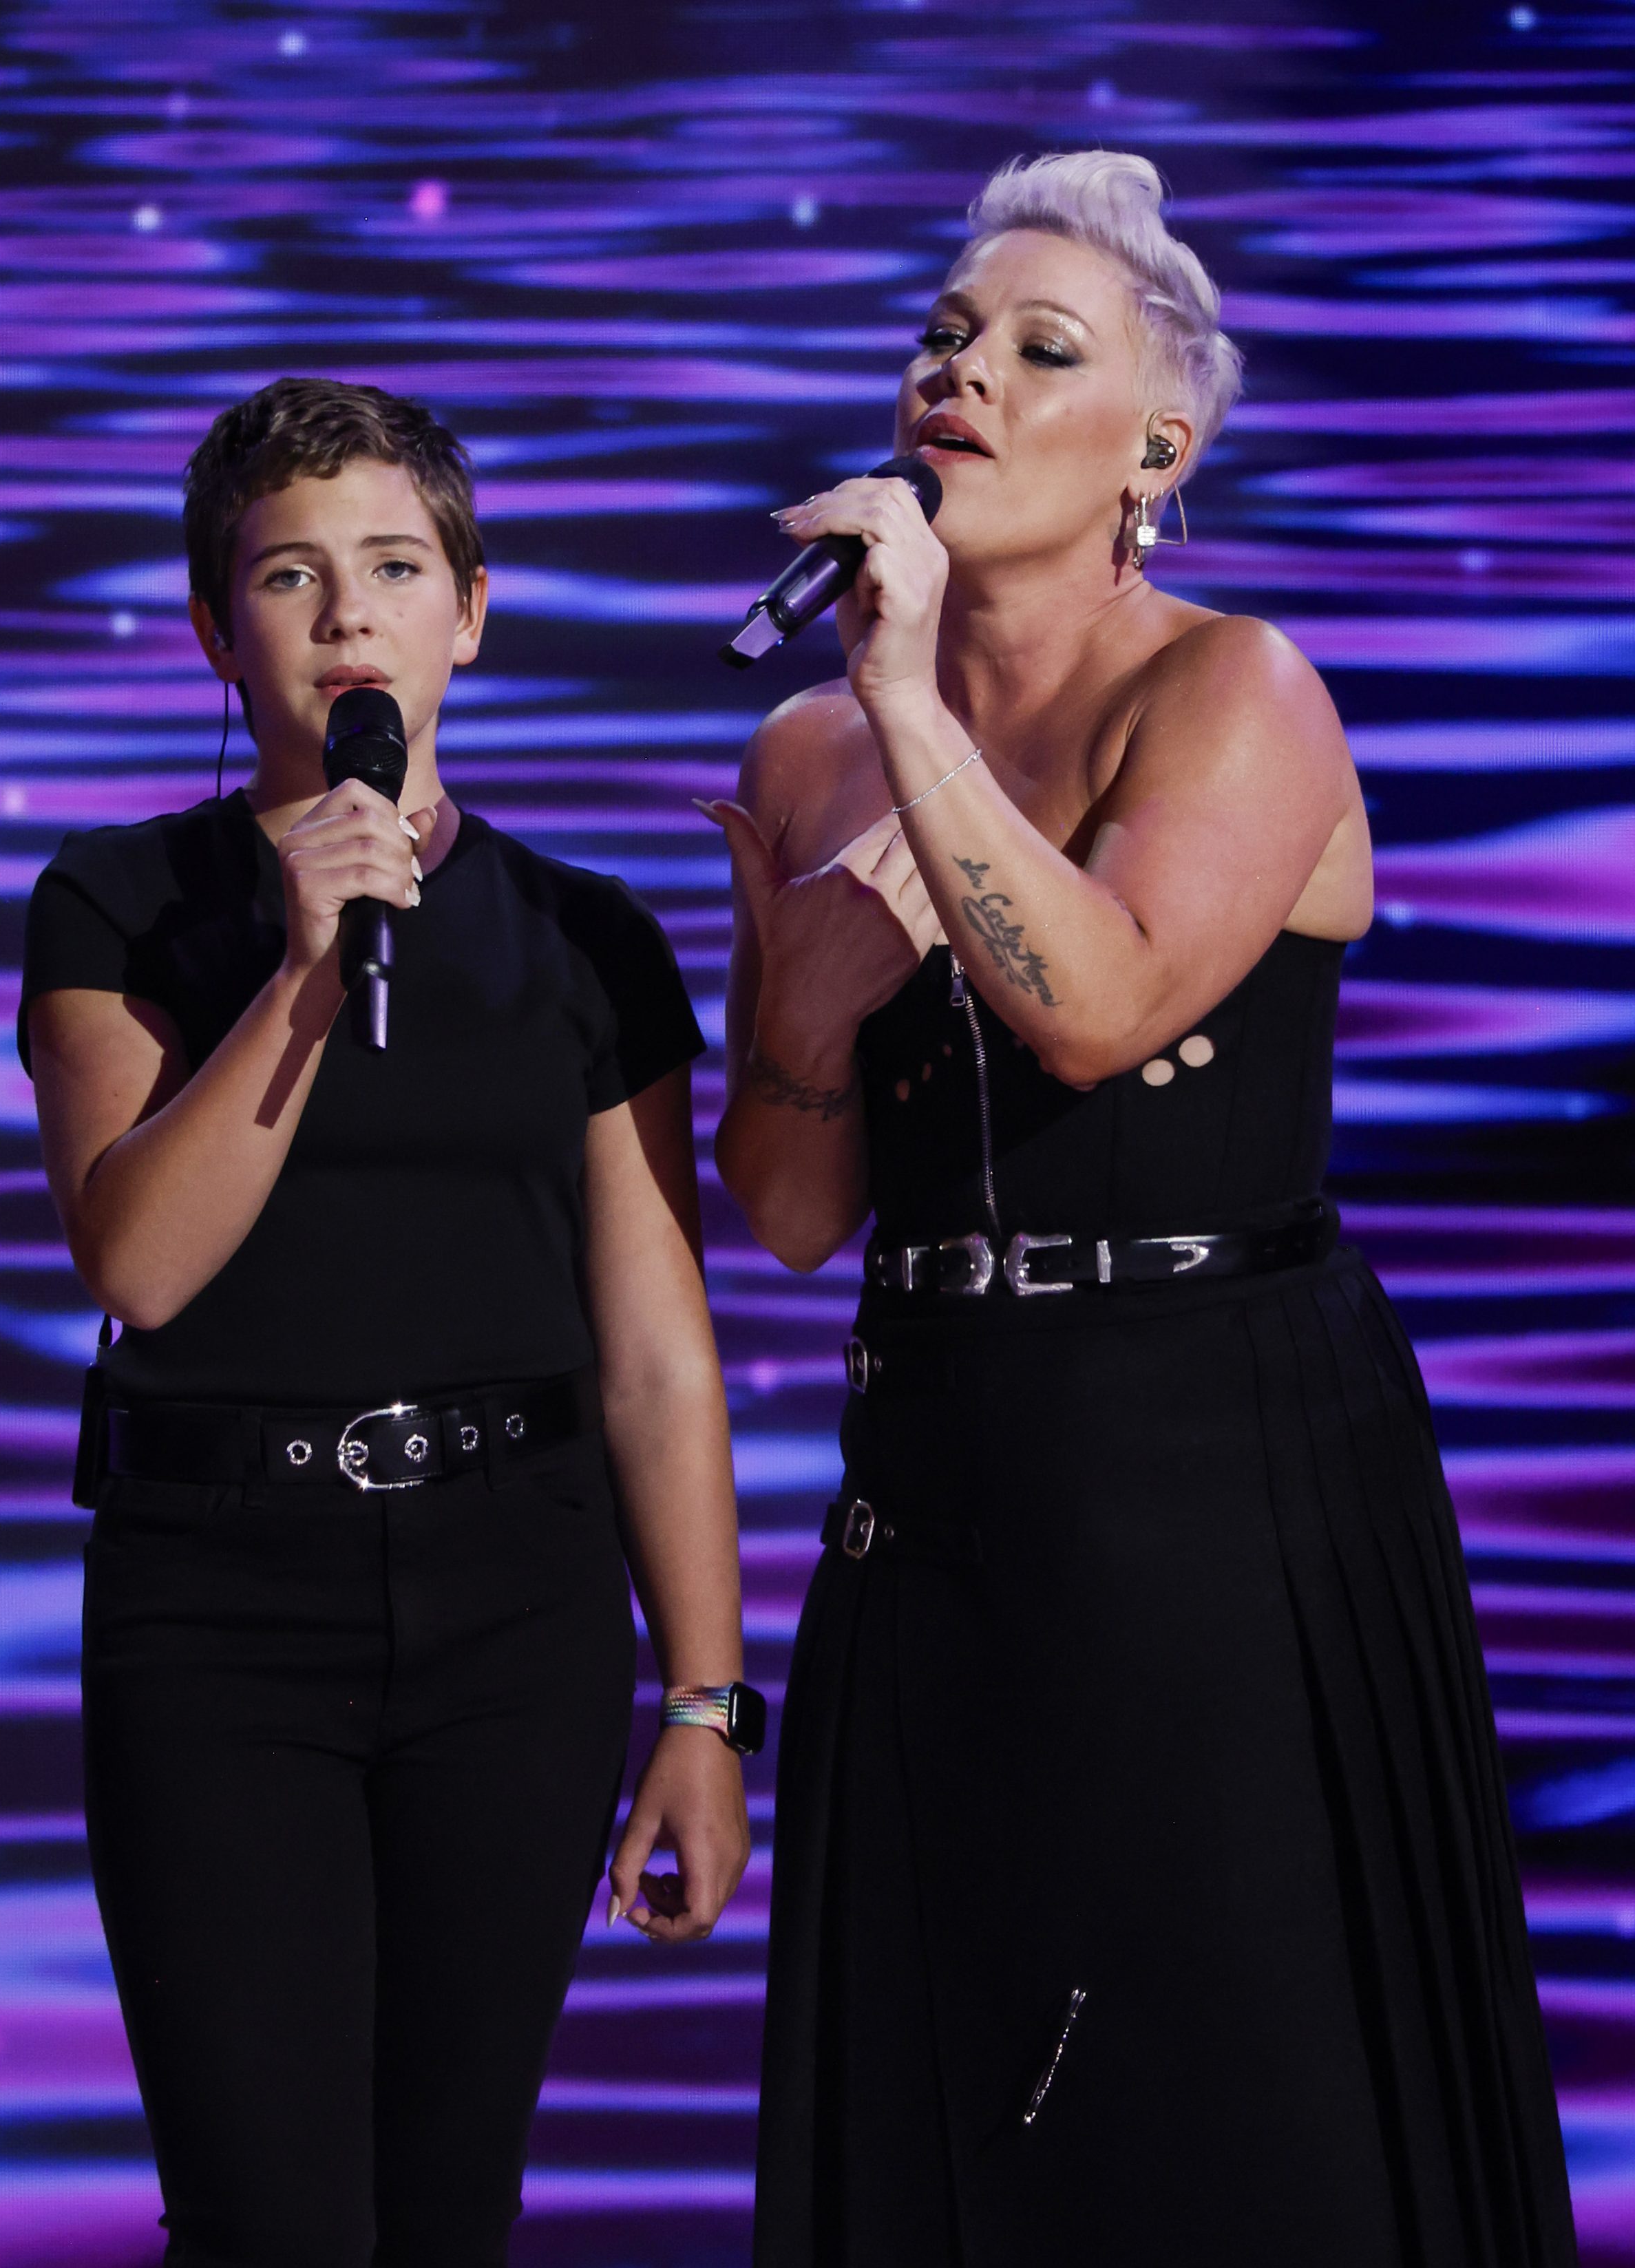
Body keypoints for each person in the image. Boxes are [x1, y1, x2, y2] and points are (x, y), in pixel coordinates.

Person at [706, 153, 1577, 2267]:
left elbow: (1095, 1018)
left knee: (1229, 2091)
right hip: (940, 1467)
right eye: (946, 337)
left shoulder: (1239, 689)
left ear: (1155, 450)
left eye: (1038, 349)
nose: (962, 375)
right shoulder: (809, 754)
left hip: (1220, 1463)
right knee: (963, 2085)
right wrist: (808, 1024)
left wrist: (915, 702)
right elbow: (798, 1210)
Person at [19, 377, 761, 2268]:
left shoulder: (585, 936)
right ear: (216, 627)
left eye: (394, 566)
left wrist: (702, 1697)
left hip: (514, 1604)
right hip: (218, 1615)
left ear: (471, 612)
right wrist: (298, 971)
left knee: (448, 2213)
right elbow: (137, 1267)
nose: (349, 616)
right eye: (291, 573)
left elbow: (660, 1349)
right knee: (269, 2218)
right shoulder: (118, 906)